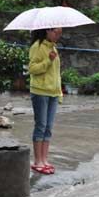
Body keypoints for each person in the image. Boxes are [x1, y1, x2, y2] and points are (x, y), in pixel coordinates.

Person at [28, 27, 63, 175]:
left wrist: (59, 92)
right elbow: (32, 68)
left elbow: (57, 74)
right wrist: (48, 60)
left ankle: (44, 159)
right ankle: (37, 161)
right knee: (41, 126)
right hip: (40, 92)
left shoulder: (53, 47)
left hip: (53, 93)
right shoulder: (37, 46)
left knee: (48, 127)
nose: (58, 35)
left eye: (60, 33)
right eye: (56, 32)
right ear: (48, 31)